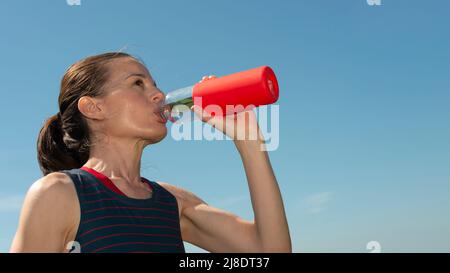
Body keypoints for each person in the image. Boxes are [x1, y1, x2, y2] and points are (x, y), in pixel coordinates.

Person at [10, 52, 291, 253]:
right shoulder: (59, 194)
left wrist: (250, 143)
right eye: (138, 83)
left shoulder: (174, 202)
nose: (158, 94)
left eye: (155, 84)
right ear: (93, 108)